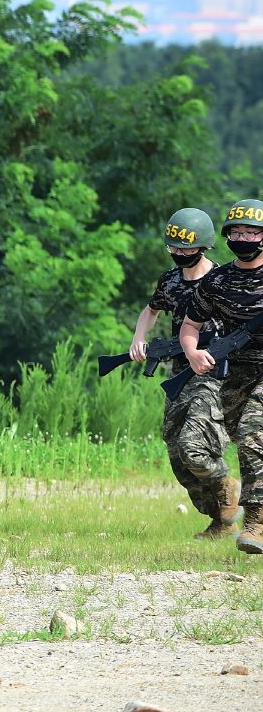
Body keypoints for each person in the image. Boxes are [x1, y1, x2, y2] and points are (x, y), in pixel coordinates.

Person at [130, 208, 237, 539]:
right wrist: (139, 339)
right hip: (181, 372)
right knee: (178, 455)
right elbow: (151, 311)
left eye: (185, 248)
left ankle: (228, 486)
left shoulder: (222, 280)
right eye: (173, 247)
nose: (178, 253)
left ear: (203, 246)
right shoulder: (170, 280)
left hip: (216, 373)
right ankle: (220, 519)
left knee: (194, 447)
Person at [182, 199, 263, 554]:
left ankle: (256, 522)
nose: (243, 237)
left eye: (251, 232)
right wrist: (193, 352)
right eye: (237, 232)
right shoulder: (217, 280)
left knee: (251, 437)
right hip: (234, 376)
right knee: (242, 441)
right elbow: (190, 325)